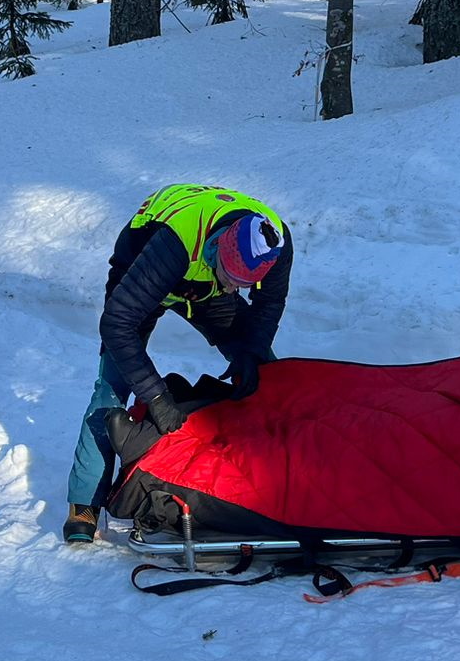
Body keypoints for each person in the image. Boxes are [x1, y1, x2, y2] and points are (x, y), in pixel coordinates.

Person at [64, 184, 291, 543]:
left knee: (262, 373)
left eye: (243, 285)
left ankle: (285, 473)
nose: (234, 290)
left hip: (205, 286)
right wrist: (155, 395)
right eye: (232, 280)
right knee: (113, 384)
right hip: (144, 271)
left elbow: (269, 305)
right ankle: (84, 502)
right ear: (219, 247)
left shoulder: (275, 243)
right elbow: (117, 324)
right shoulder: (175, 243)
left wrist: (252, 351)